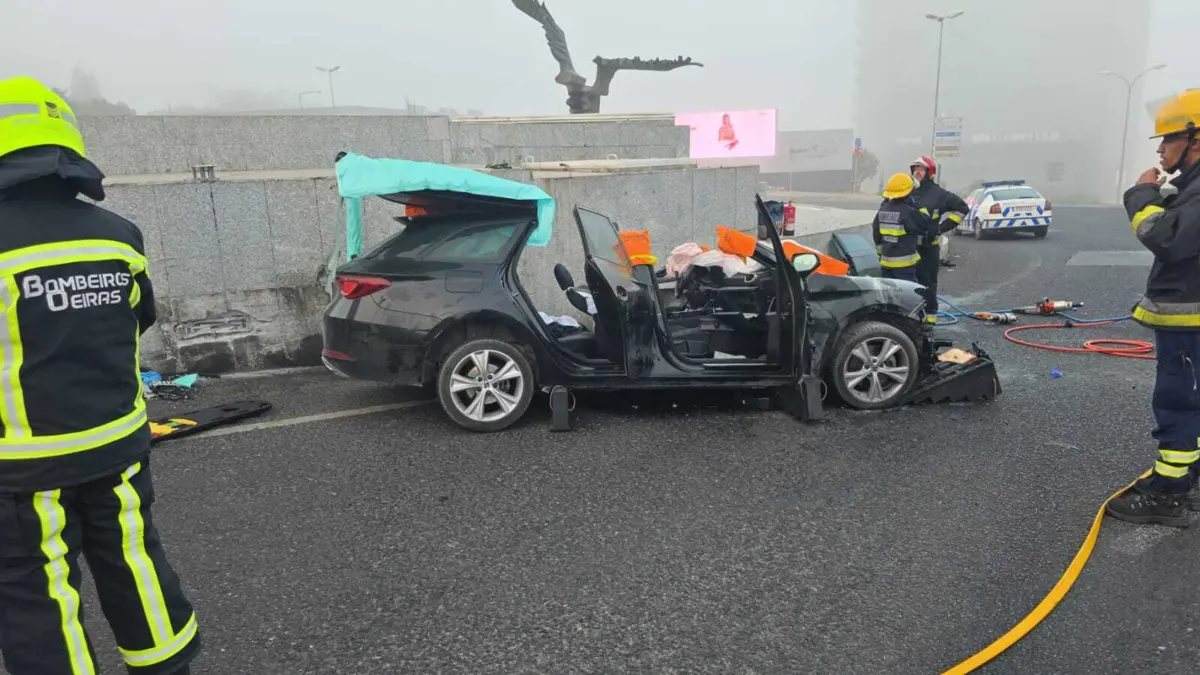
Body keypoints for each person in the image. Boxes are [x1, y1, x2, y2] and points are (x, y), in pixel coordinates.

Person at [0, 77, 201, 673]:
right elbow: (139, 318)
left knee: (38, 594)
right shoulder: (118, 235)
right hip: (117, 442)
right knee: (134, 558)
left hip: (22, 462)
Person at [1106, 89, 1200, 527]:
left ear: (1194, 139)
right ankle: (1188, 476)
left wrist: (1142, 193)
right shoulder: (1190, 188)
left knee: (1178, 401)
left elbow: (1167, 237)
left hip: (1190, 321)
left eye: (1168, 139)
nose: (1161, 148)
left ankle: (1168, 493)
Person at [909, 156, 969, 326]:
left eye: (921, 169)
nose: (916, 172)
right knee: (908, 283)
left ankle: (930, 317)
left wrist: (942, 228)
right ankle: (913, 315)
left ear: (930, 173)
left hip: (928, 248)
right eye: (915, 168)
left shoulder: (940, 194)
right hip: (908, 247)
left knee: (927, 282)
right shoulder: (908, 191)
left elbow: (962, 208)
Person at [872, 172, 934, 283]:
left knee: (888, 294)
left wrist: (881, 253)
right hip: (904, 265)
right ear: (909, 192)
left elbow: (876, 233)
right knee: (907, 295)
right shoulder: (907, 211)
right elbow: (925, 223)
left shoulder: (883, 210)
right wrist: (918, 205)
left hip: (886, 262)